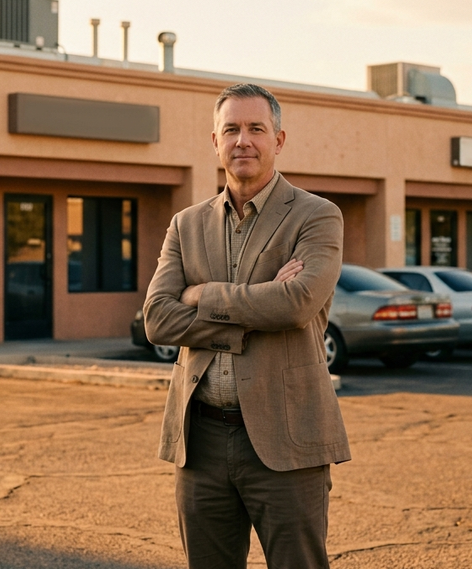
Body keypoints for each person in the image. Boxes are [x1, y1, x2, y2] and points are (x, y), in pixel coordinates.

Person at [144, 83, 350, 569]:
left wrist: (200, 295)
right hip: (201, 441)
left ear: (278, 140)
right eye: (231, 129)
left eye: (256, 128)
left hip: (287, 439)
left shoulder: (316, 216)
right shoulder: (185, 224)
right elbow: (157, 318)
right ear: (214, 140)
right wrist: (254, 310)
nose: (243, 140)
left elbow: (295, 304)